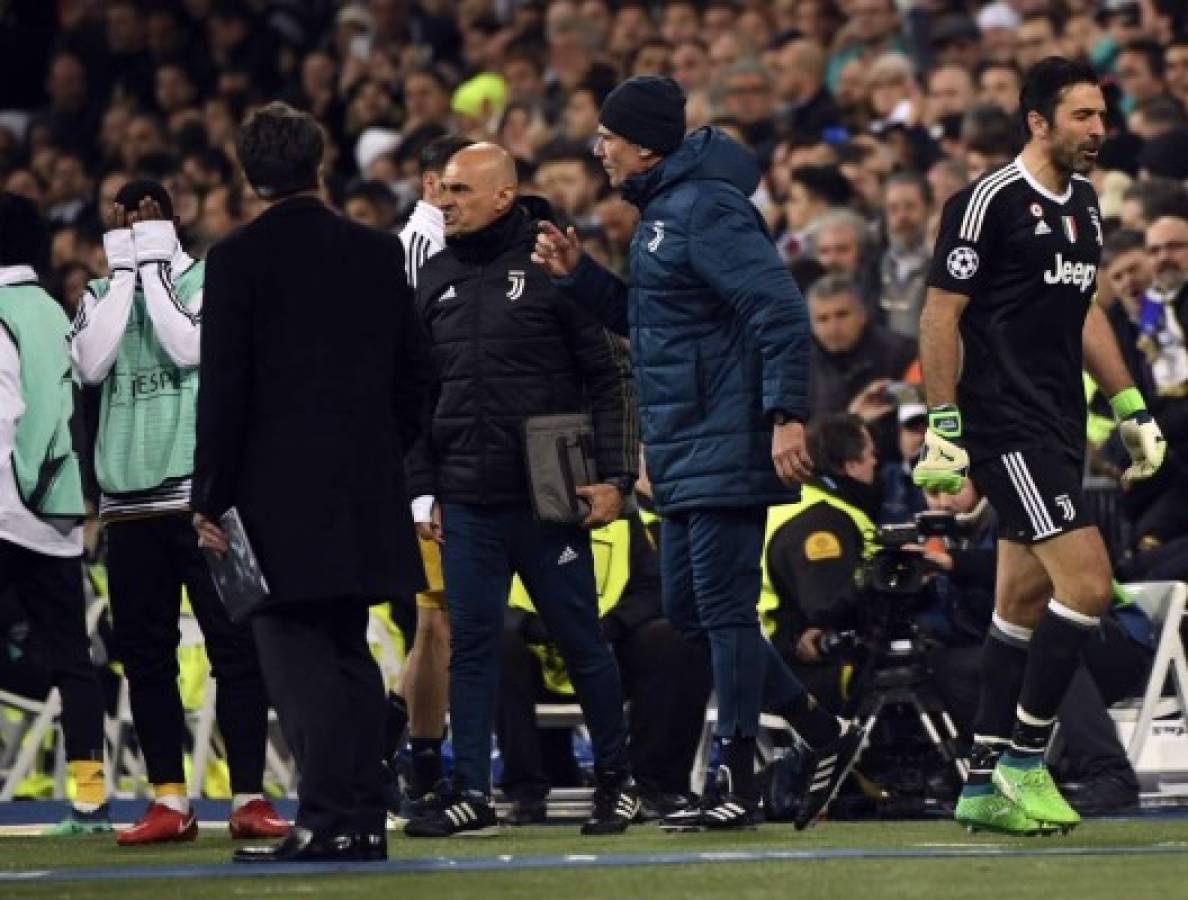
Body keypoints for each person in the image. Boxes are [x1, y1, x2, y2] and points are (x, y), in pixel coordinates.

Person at [532, 75, 862, 831]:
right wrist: (579, 278)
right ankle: (823, 733)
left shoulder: (707, 208)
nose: (598, 150)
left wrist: (785, 416)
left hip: (728, 437)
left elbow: (778, 306)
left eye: (607, 138)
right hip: (684, 445)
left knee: (722, 612)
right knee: (690, 612)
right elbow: (655, 323)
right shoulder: (666, 216)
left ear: (644, 144)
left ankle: (739, 779)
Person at [912, 58, 1166, 835]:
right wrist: (944, 424)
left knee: (1021, 605)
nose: (1099, 131)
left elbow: (1085, 308)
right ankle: (1027, 759)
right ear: (1039, 122)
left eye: (1102, 116)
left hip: (1057, 423)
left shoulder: (1085, 205)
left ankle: (982, 780)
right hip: (1006, 424)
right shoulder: (985, 202)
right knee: (1087, 587)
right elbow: (939, 317)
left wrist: (1129, 404)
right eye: (1083, 117)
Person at [192, 102, 433, 863]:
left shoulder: (235, 259)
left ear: (248, 174)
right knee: (347, 651)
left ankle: (326, 818)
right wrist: (378, 452)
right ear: (320, 162)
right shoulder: (374, 251)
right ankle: (361, 817)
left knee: (296, 658)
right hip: (364, 486)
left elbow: (224, 390)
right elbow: (418, 377)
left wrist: (210, 497)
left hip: (273, 494)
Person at [402, 142, 639, 838]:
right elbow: (416, 395)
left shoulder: (553, 265)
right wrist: (422, 489)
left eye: (459, 192)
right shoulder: (434, 276)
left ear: (503, 195)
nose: (444, 202)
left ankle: (615, 784)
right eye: (442, 190)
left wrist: (616, 478)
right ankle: (472, 791)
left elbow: (611, 376)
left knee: (580, 640)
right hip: (467, 500)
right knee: (472, 645)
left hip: (549, 495)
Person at [67, 178, 285, 846]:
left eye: (149, 217)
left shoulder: (207, 282)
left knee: (235, 647)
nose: (136, 223)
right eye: (125, 218)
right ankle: (169, 800)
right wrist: (129, 267)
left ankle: (248, 794)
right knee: (147, 659)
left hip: (205, 498)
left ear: (175, 219)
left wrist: (155, 259)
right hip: (127, 505)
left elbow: (189, 346)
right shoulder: (100, 294)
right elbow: (92, 364)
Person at [0, 192, 110, 835]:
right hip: (60, 513)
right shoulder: (52, 307)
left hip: (12, 506)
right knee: (73, 660)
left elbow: (15, 418)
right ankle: (91, 800)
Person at [499, 511, 712, 824]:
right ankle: (525, 791)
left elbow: (653, 589)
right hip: (534, 653)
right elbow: (478, 601)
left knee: (675, 639)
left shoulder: (623, 518)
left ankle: (653, 787)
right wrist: (534, 626)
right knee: (494, 645)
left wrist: (610, 625)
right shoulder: (503, 518)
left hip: (607, 653)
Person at [385, 134, 474, 818]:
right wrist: (423, 479)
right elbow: (417, 371)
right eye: (454, 184)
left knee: (450, 620)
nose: (461, 196)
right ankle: (419, 758)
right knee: (436, 621)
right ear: (428, 185)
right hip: (433, 461)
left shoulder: (474, 247)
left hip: (474, 454)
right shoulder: (415, 251)